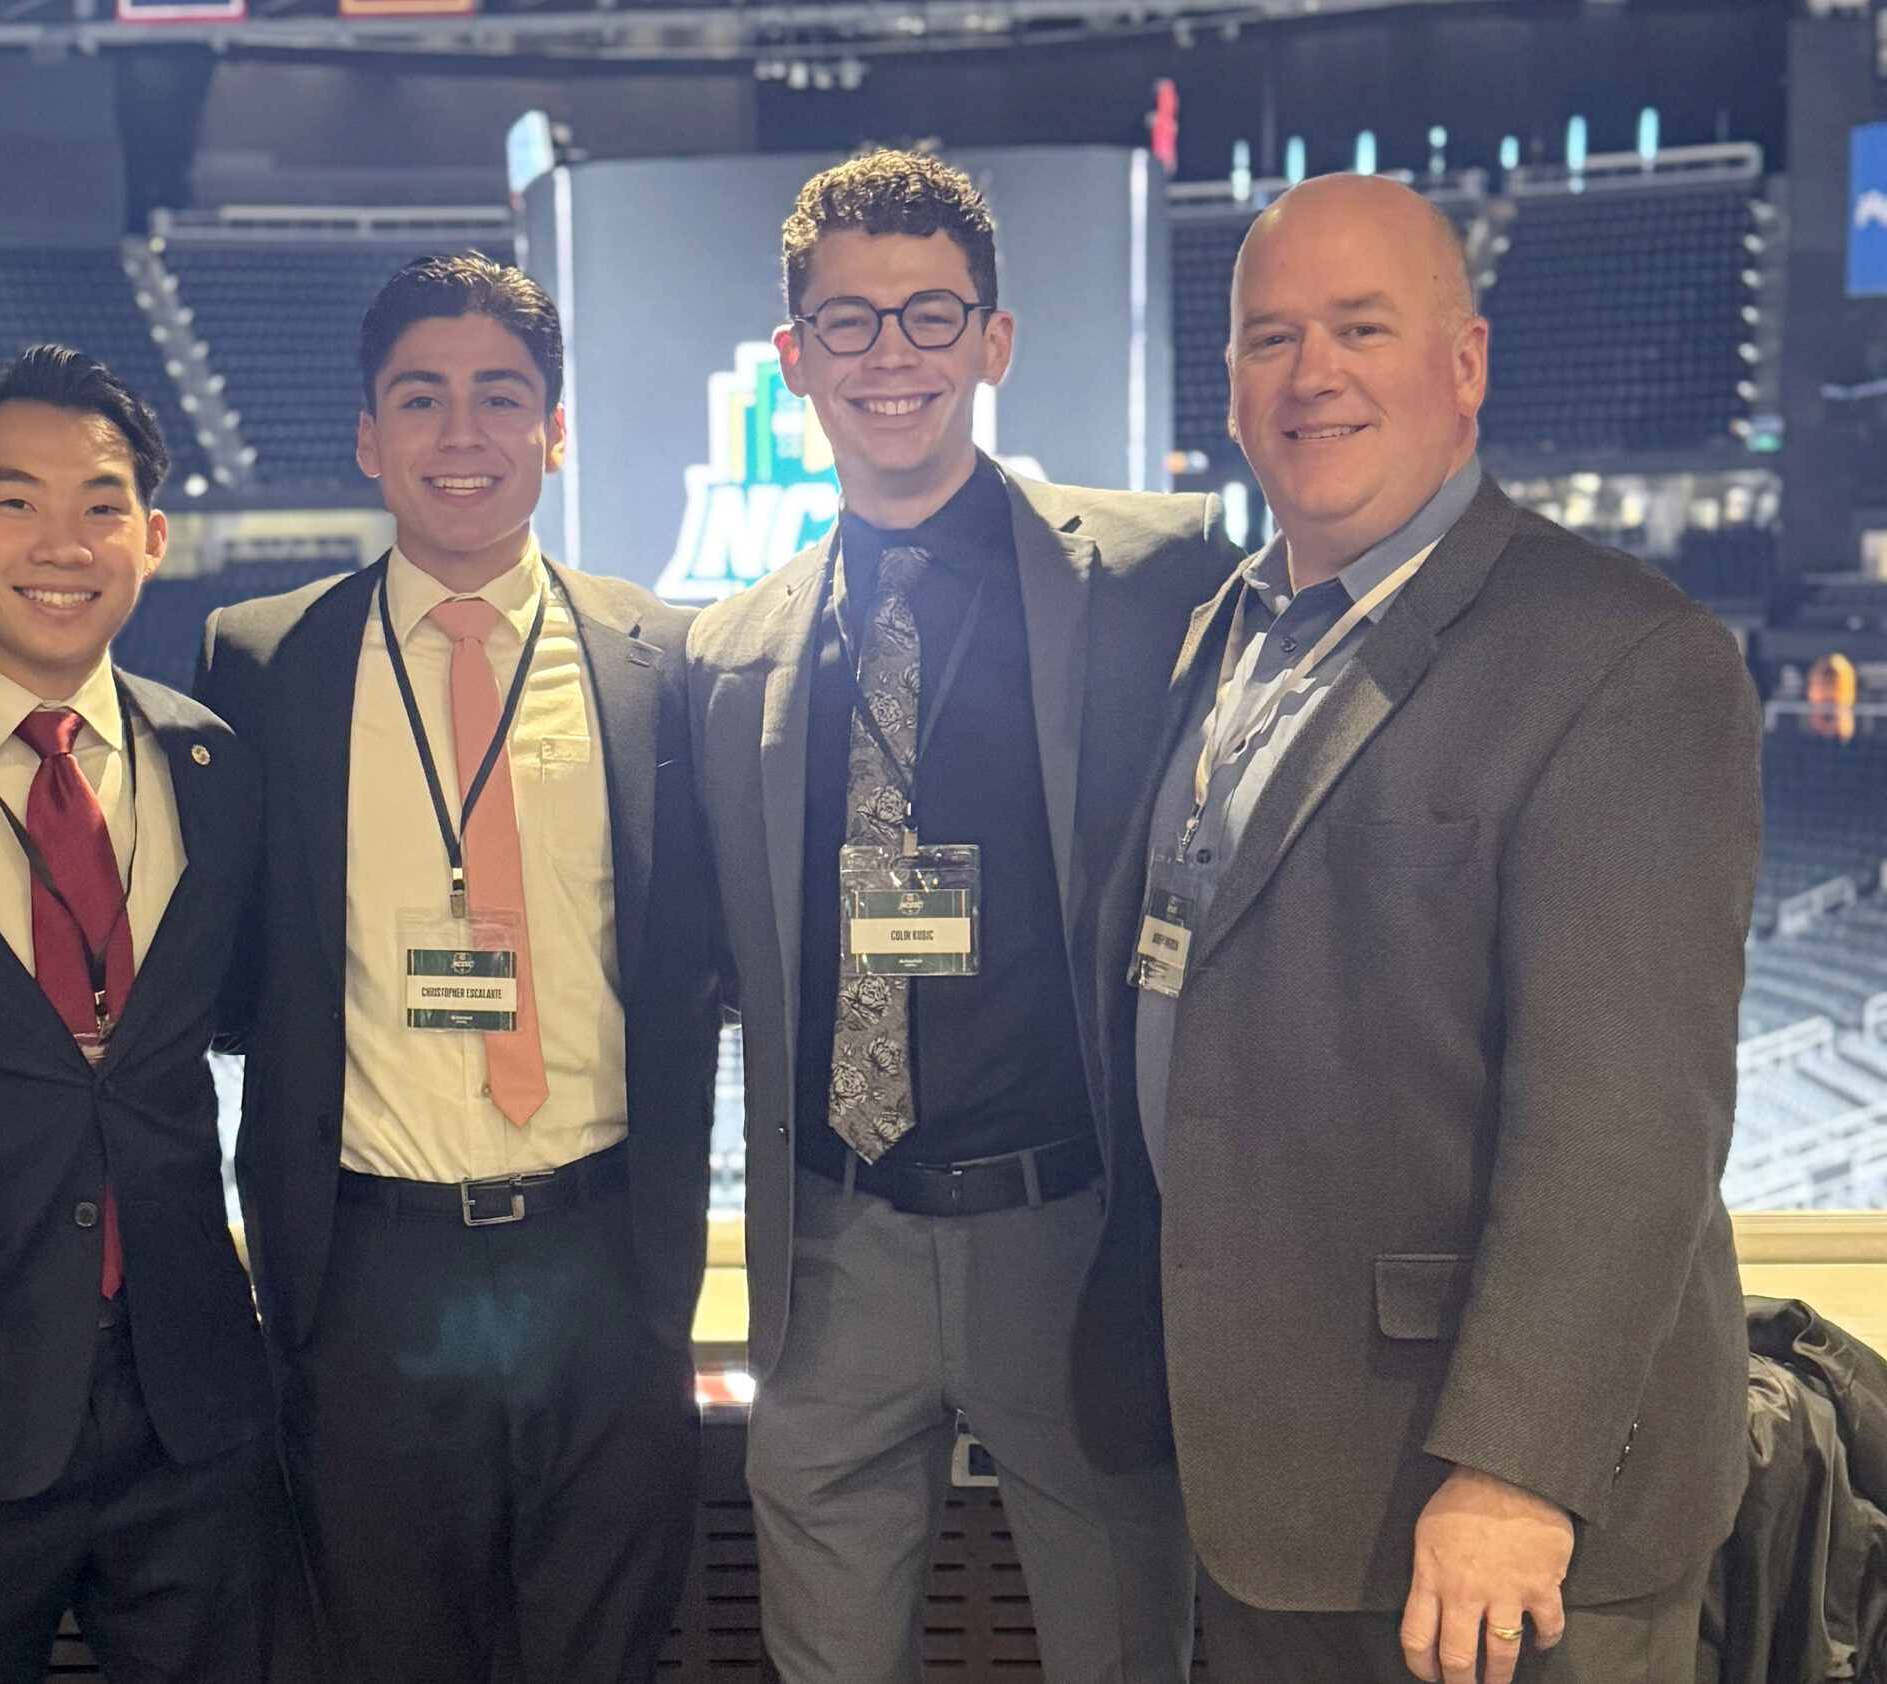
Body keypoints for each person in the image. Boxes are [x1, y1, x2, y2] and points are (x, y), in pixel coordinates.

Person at [1095, 173, 1759, 1684]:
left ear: (1463, 366)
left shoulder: (1623, 659)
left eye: (1359, 328)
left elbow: (1629, 1130)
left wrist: (1516, 1474)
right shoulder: (1228, 629)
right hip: (1269, 1485)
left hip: (1492, 1524)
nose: (1310, 373)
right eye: (1272, 338)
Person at [687, 149, 1237, 1684]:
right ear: (794, 359)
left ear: (996, 340)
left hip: (1074, 1238)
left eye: (931, 315)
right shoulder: (731, 654)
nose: (893, 357)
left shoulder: (1160, 576)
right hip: (838, 1250)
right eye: (848, 323)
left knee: (1129, 1650)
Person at [194, 253, 722, 1684]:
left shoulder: (661, 660)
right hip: (371, 1270)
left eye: (503, 398)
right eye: (420, 399)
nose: (462, 434)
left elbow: (702, 963)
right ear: (369, 438)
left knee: (602, 1653)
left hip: (603, 1259)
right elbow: (239, 981)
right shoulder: (260, 662)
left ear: (555, 432)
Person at [0, 345, 296, 1683]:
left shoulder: (219, 765)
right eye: (13, 501)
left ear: (155, 538)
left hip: (195, 1412)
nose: (63, 543)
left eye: (101, 505)